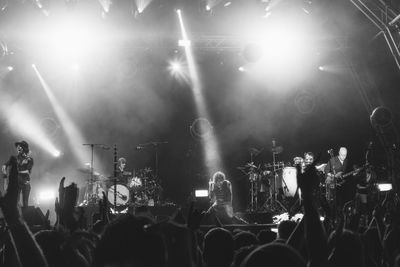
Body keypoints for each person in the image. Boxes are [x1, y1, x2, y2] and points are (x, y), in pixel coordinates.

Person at [1, 140, 34, 207]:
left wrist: (16, 171)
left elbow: (27, 171)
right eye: (17, 147)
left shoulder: (29, 159)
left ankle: (25, 214)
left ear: (24, 148)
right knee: (16, 201)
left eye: (20, 147)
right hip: (16, 182)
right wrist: (4, 168)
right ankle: (17, 215)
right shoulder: (14, 158)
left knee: (25, 202)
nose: (18, 148)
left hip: (25, 182)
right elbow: (5, 165)